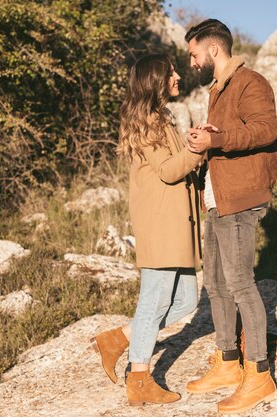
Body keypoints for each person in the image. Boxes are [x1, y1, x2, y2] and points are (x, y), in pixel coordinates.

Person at [92, 54, 203, 407]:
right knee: (154, 303)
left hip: (174, 226)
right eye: (169, 71)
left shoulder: (161, 119)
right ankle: (139, 379)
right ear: (154, 80)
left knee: (187, 300)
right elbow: (170, 170)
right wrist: (199, 150)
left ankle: (119, 338)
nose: (176, 75)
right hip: (161, 226)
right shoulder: (147, 122)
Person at [183, 19, 277, 415]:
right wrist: (206, 142)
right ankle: (227, 362)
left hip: (240, 201)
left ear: (212, 50)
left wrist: (216, 139)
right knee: (217, 285)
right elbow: (227, 140)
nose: (191, 62)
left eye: (193, 55)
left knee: (240, 284)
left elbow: (265, 131)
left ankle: (259, 376)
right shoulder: (218, 90)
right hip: (217, 199)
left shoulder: (250, 83)